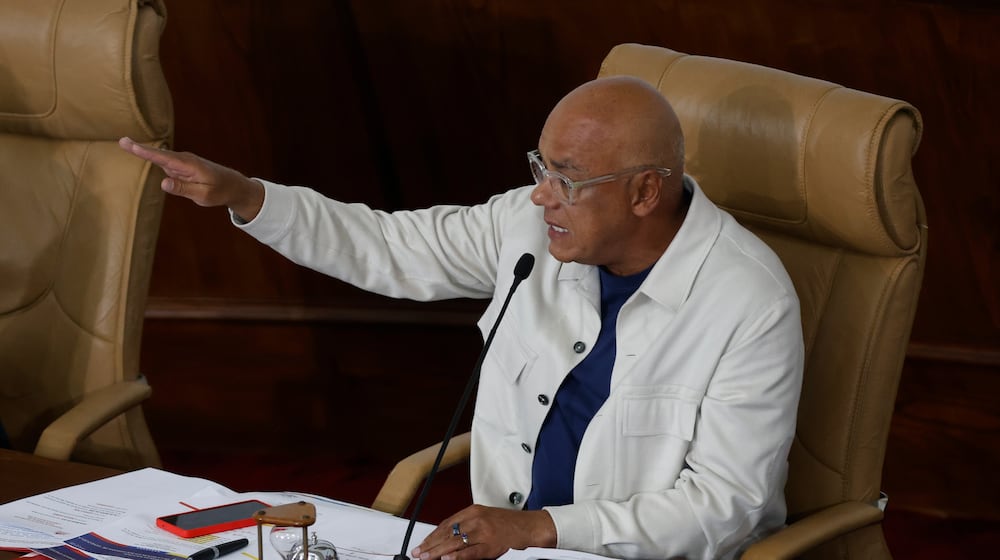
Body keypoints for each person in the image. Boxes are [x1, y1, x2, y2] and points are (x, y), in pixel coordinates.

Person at [120, 76, 803, 560]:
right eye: (540, 167)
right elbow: (389, 247)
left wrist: (538, 529)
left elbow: (725, 507)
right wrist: (246, 196)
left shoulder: (749, 301)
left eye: (566, 178)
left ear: (645, 191)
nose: (541, 196)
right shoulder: (530, 229)